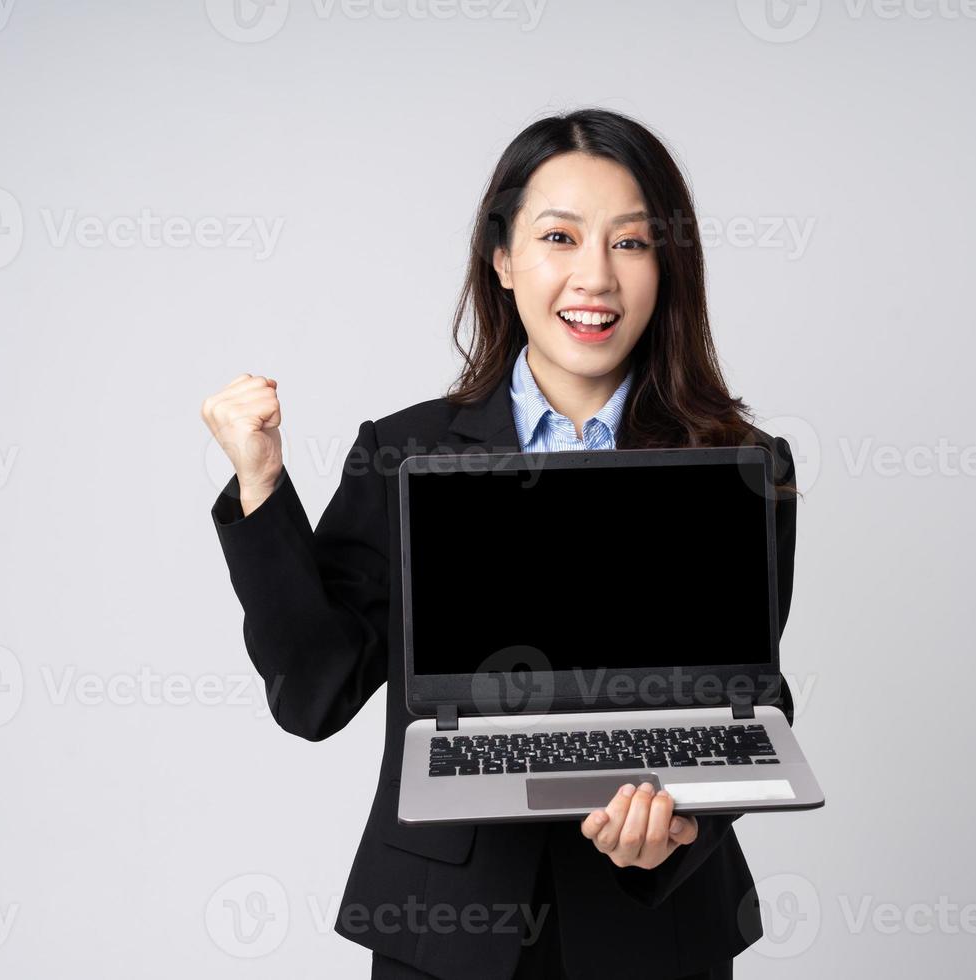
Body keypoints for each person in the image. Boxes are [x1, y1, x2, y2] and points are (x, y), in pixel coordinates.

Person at [201, 108, 800, 980]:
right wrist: (261, 483)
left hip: (658, 930)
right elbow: (316, 692)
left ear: (667, 265)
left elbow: (747, 698)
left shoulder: (741, 468)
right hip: (443, 929)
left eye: (631, 244)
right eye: (559, 236)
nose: (594, 277)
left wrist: (678, 829)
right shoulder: (405, 453)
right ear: (504, 258)